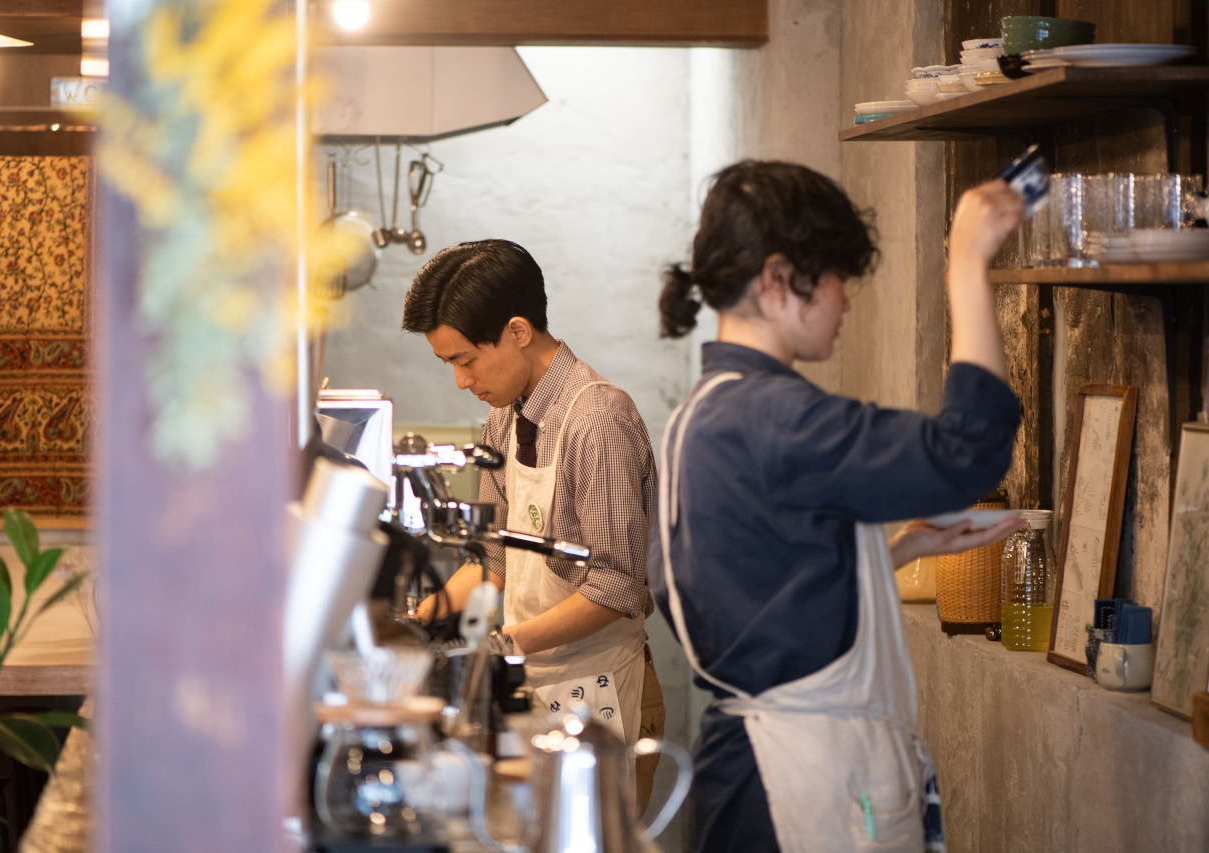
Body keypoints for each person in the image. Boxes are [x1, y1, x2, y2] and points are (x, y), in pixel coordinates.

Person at [650, 160, 1026, 852]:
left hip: (744, 770)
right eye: (833, 278)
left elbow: (743, 598)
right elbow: (966, 452)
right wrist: (968, 267)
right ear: (775, 279)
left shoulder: (697, 416)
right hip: (800, 786)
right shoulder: (779, 416)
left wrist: (893, 552)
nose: (845, 300)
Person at [402, 238, 665, 804]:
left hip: (601, 690)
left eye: (465, 359)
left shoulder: (597, 419)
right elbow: (494, 564)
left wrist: (497, 646)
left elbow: (616, 587)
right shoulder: (504, 418)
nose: (460, 381)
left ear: (518, 331)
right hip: (536, 682)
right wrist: (417, 629)